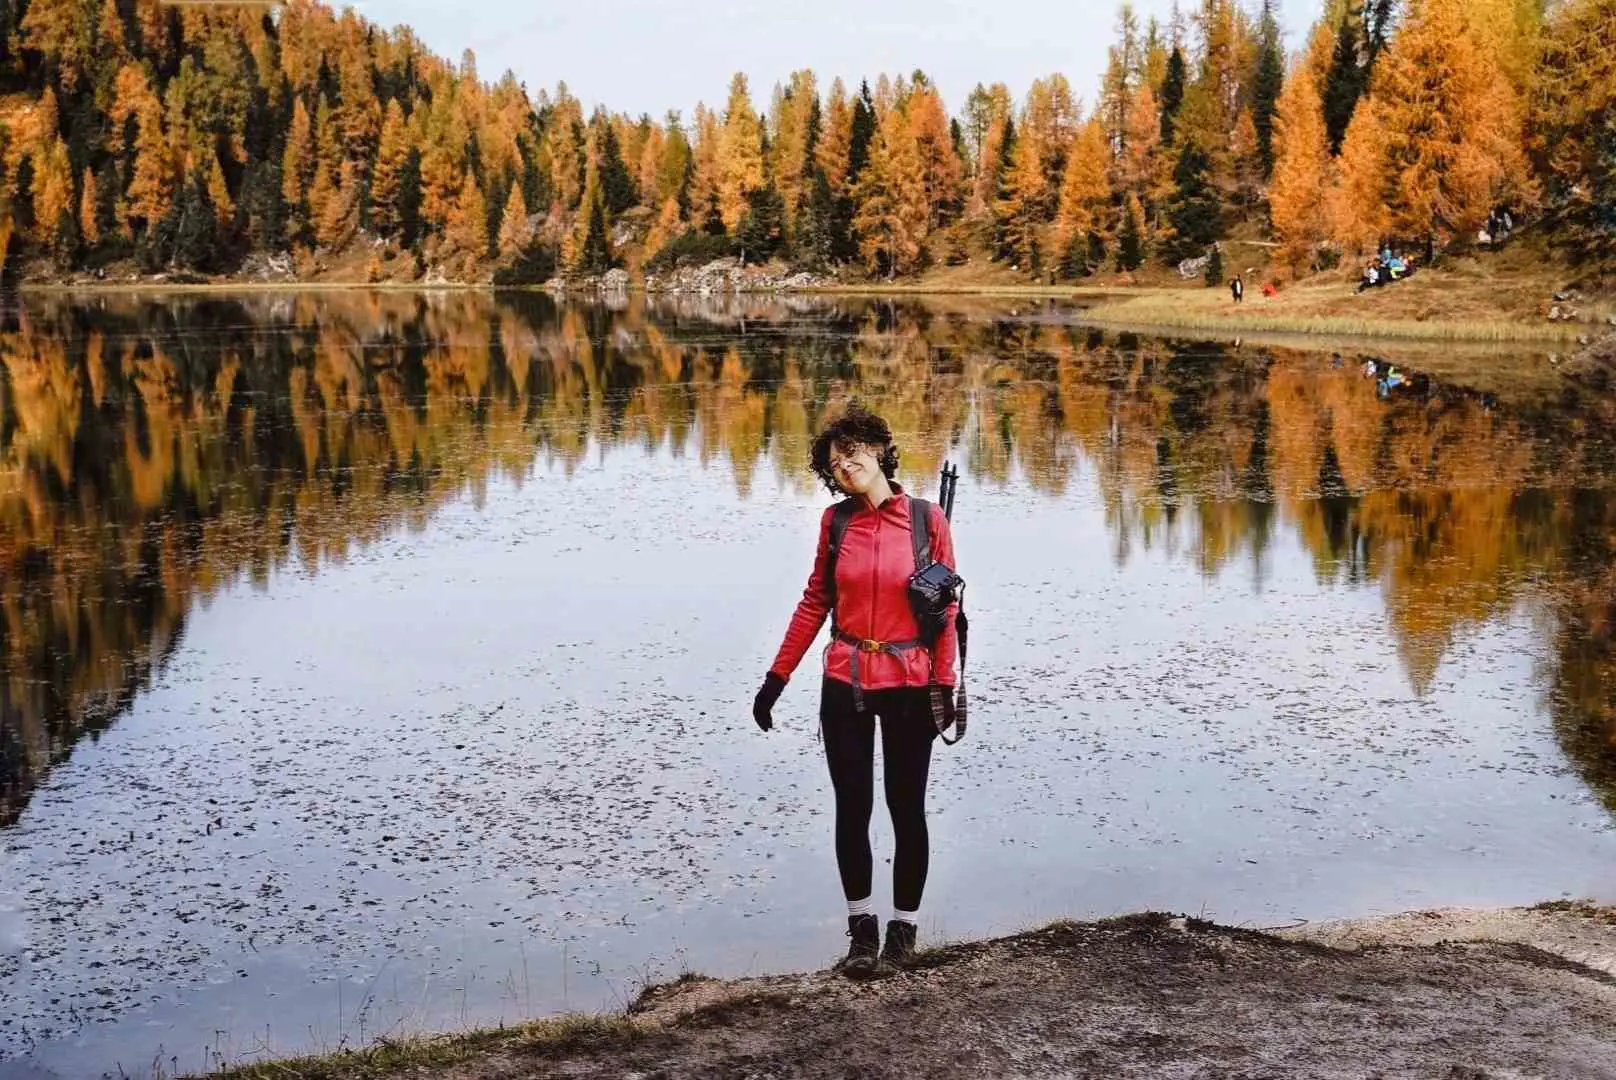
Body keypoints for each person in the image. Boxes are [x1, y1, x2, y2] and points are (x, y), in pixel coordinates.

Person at [752, 404, 961, 980]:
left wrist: (944, 684)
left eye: (852, 452)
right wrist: (776, 679)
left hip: (911, 684)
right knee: (853, 807)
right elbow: (815, 601)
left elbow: (947, 611)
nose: (844, 465)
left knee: (905, 807)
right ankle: (862, 935)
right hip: (845, 681)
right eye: (834, 462)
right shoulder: (835, 523)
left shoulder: (926, 520)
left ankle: (903, 935)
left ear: (879, 450)